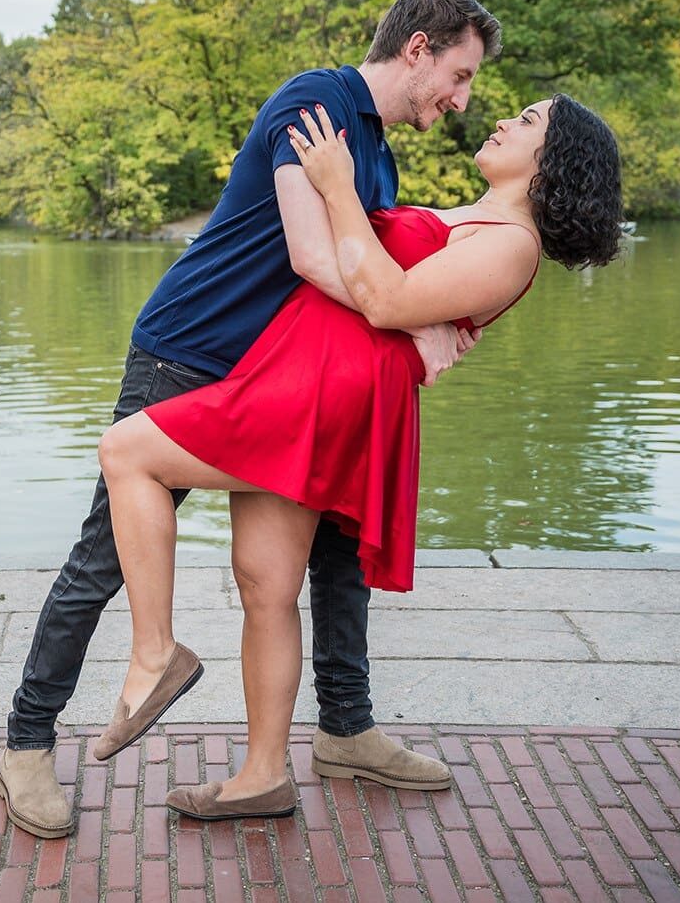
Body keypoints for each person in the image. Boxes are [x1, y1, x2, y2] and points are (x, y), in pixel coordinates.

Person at [0, 0, 502, 839]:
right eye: (459, 74)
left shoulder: (377, 151)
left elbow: (388, 258)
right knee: (103, 556)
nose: (461, 99)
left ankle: (347, 728)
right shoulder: (317, 103)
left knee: (337, 549)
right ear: (418, 49)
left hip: (280, 378)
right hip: (189, 353)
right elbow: (313, 256)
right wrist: (416, 328)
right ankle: (25, 745)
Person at [93, 94, 623, 819]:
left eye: (527, 122)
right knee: (265, 586)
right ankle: (262, 776)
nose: (501, 119)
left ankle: (155, 654)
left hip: (329, 391)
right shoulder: (474, 217)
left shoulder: (512, 244)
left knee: (128, 451)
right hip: (298, 373)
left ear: (552, 162)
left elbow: (386, 298)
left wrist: (341, 189)